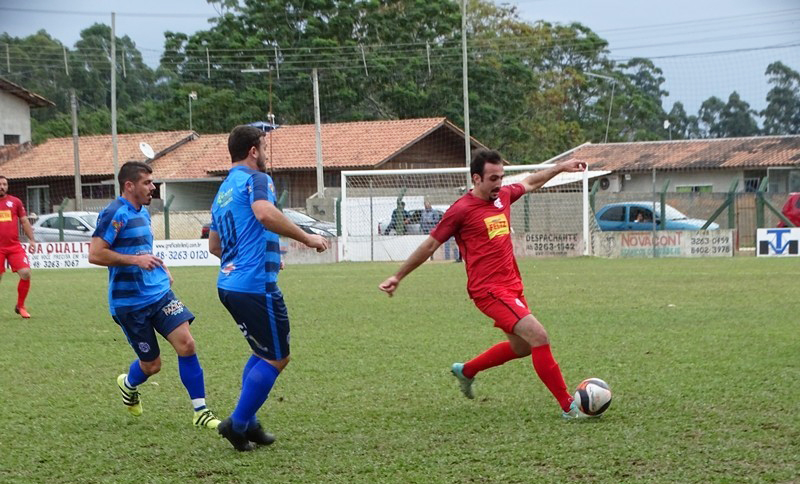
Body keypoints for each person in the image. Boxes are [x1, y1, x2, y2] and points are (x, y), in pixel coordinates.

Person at [379, 149, 587, 419]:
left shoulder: (503, 196)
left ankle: (466, 371)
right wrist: (398, 276)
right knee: (539, 336)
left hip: (512, 286)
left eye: (501, 177)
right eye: (492, 178)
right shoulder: (461, 210)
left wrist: (561, 167)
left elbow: (532, 181)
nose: (498, 183)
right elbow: (430, 244)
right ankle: (568, 405)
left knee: (523, 347)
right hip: (489, 291)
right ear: (476, 179)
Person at [209, 125, 329, 451]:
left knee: (261, 352)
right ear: (253, 151)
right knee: (277, 358)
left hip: (229, 283)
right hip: (255, 286)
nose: (265, 153)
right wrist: (307, 237)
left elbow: (214, 245)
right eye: (264, 146)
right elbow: (264, 213)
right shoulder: (257, 179)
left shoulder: (222, 192)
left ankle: (248, 423)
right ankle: (237, 423)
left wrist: (264, 256)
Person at [89, 161, 221, 430]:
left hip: (159, 293)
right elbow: (95, 253)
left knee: (187, 344)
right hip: (129, 304)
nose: (153, 187)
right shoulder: (115, 213)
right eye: (147, 183)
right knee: (152, 365)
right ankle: (128, 384)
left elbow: (144, 249)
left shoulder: (144, 213)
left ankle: (201, 410)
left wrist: (162, 267)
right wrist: (135, 262)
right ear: (129, 185)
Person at [0, 175, 36, 319]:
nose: (2, 187)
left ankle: (20, 306)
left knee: (26, 273)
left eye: (4, 184)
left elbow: (24, 221)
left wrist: (32, 240)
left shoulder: (15, 202)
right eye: (0, 184)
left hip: (14, 246)